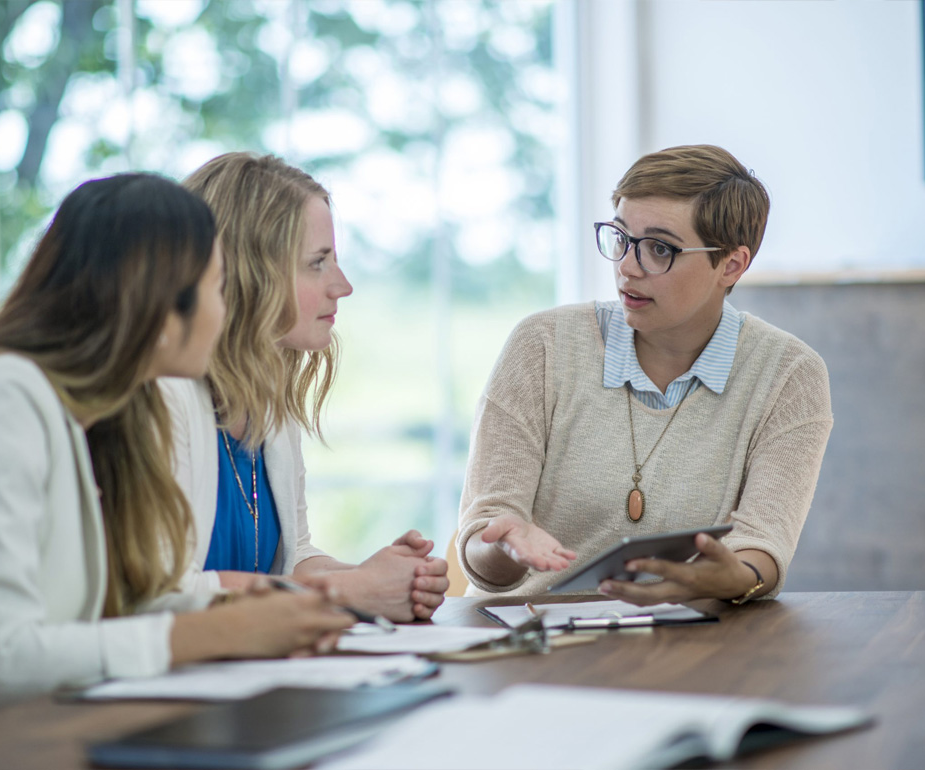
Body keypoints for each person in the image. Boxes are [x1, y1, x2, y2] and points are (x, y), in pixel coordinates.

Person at [0, 174, 353, 730]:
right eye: (217, 290)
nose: (228, 315)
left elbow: (124, 608)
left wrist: (271, 611)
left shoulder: (89, 415)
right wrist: (215, 630)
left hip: (41, 736)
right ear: (157, 303)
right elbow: (2, 662)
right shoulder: (0, 397)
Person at [457, 145, 832, 604]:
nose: (627, 267)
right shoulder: (543, 345)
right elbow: (481, 543)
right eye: (620, 237)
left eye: (659, 249)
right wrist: (507, 543)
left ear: (731, 264)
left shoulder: (789, 374)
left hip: (688, 646)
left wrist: (732, 577)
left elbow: (763, 546)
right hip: (531, 640)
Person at [162, 152, 449, 622]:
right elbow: (164, 590)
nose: (343, 285)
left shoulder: (268, 394)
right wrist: (348, 590)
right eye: (318, 263)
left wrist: (385, 579)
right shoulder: (162, 399)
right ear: (248, 275)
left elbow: (291, 557)